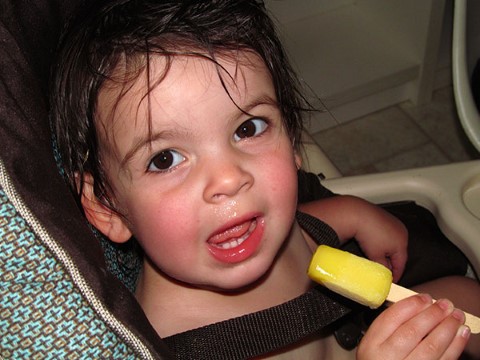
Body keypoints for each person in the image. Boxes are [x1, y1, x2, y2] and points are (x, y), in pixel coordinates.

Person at [50, 0, 480, 358]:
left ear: (293, 138)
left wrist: (355, 214)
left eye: (248, 128)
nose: (229, 178)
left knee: (464, 293)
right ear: (106, 205)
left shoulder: (247, 226)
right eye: (165, 158)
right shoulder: (178, 347)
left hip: (363, 333)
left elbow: (299, 227)